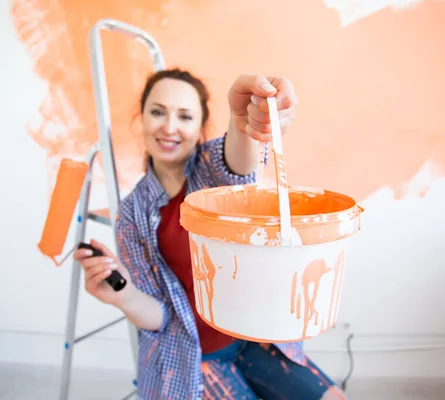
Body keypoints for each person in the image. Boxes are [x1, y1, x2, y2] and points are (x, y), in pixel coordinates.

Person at [74, 68, 347, 400]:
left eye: (185, 116)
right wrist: (124, 296)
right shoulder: (132, 214)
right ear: (141, 118)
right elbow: (158, 316)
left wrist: (242, 117)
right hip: (193, 355)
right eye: (158, 112)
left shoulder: (212, 168)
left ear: (200, 127)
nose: (169, 127)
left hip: (253, 336)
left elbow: (239, 162)